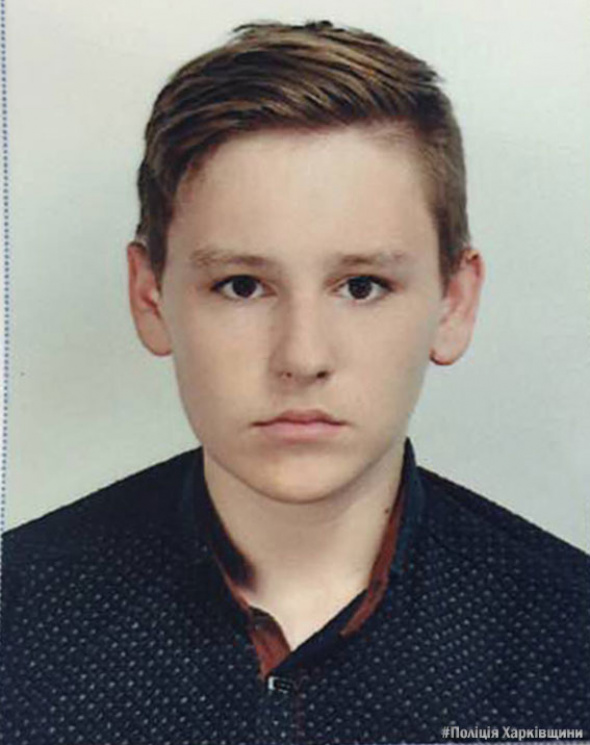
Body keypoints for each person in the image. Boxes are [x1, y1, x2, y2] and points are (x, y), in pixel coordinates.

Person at [1, 20, 588, 745]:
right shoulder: (15, 612)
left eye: (363, 286)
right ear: (150, 297)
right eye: (242, 285)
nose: (302, 357)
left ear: (453, 304)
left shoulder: (571, 636)